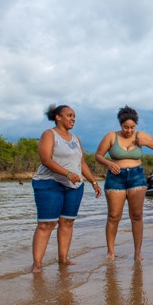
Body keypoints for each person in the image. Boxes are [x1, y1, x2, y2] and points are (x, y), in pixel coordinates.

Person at [31, 104, 102, 273]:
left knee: (68, 222)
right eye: (69, 115)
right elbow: (46, 160)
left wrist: (93, 182)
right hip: (49, 183)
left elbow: (81, 162)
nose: (73, 119)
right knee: (46, 224)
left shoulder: (76, 138)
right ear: (58, 117)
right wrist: (68, 174)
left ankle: (63, 259)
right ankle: (37, 264)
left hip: (74, 186)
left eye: (74, 116)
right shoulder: (49, 134)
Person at [95, 106, 153, 261]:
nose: (129, 130)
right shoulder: (111, 136)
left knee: (137, 215)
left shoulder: (140, 135)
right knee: (114, 216)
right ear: (120, 125)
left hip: (137, 177)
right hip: (115, 177)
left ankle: (138, 253)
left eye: (132, 127)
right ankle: (110, 252)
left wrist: (145, 142)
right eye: (126, 127)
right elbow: (98, 155)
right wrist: (109, 163)